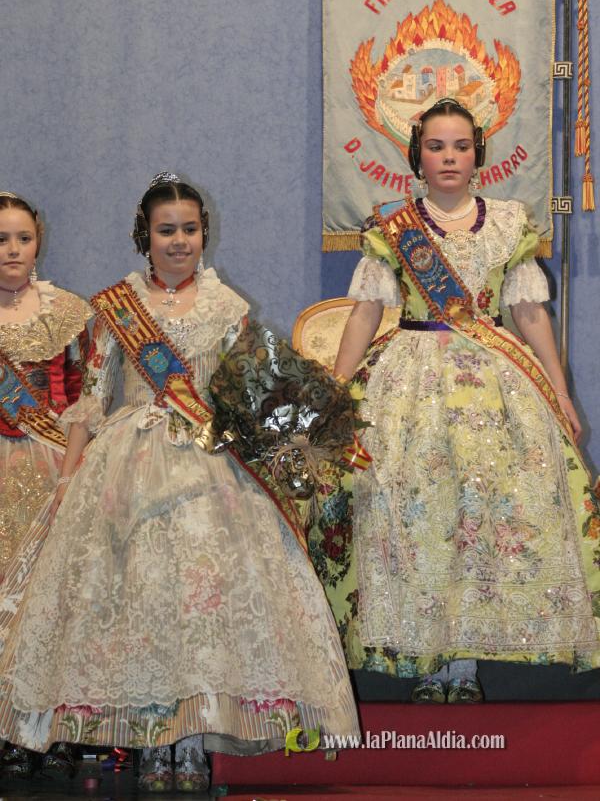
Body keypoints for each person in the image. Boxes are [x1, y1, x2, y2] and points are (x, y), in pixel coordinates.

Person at [0, 174, 359, 793]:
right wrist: (68, 477)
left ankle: (191, 740)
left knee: (200, 606)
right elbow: (91, 400)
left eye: (189, 229)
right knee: (141, 605)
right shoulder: (115, 308)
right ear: (145, 236)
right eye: (166, 230)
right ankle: (149, 741)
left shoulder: (228, 306)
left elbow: (248, 394)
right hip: (128, 466)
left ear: (203, 233)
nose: (179, 241)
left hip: (210, 469)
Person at [311, 98, 600, 704]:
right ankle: (424, 655)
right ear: (417, 155)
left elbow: (530, 313)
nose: (449, 157)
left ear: (478, 155)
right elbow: (365, 313)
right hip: (409, 387)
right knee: (420, 514)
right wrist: (336, 389)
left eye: (461, 146)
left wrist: (559, 389)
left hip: (495, 385)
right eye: (437, 146)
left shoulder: (508, 222)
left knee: (481, 515)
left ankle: (465, 662)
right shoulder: (393, 226)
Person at [0, 192, 91, 777]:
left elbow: (84, 395)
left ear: (39, 242)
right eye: (0, 240)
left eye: (23, 238)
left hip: (53, 468)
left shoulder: (67, 312)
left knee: (49, 600)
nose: (12, 250)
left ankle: (50, 729)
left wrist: (76, 467)